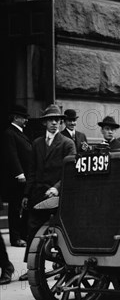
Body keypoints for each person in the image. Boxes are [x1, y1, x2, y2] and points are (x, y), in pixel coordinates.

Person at [23, 105, 76, 275]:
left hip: (57, 195)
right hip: (38, 194)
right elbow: (31, 170)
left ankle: (62, 265)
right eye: (51, 120)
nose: (54, 123)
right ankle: (31, 268)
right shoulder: (37, 143)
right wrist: (26, 194)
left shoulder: (67, 143)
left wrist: (56, 188)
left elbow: (70, 170)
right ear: (44, 123)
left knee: (59, 232)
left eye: (57, 120)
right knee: (33, 231)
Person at [3, 105, 32, 247]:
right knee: (15, 208)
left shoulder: (20, 133)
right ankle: (15, 238)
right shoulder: (10, 133)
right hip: (17, 179)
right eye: (23, 117)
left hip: (25, 177)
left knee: (23, 206)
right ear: (16, 118)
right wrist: (19, 174)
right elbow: (12, 155)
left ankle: (22, 234)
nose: (26, 119)